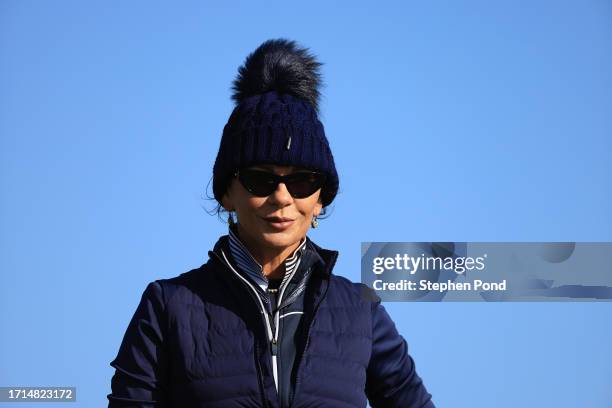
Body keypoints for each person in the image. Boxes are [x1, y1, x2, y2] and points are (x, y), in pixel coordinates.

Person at [107, 38, 435, 408]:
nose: (282, 197)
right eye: (260, 180)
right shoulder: (167, 307)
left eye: (302, 181)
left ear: (320, 200)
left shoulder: (362, 311)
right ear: (226, 194)